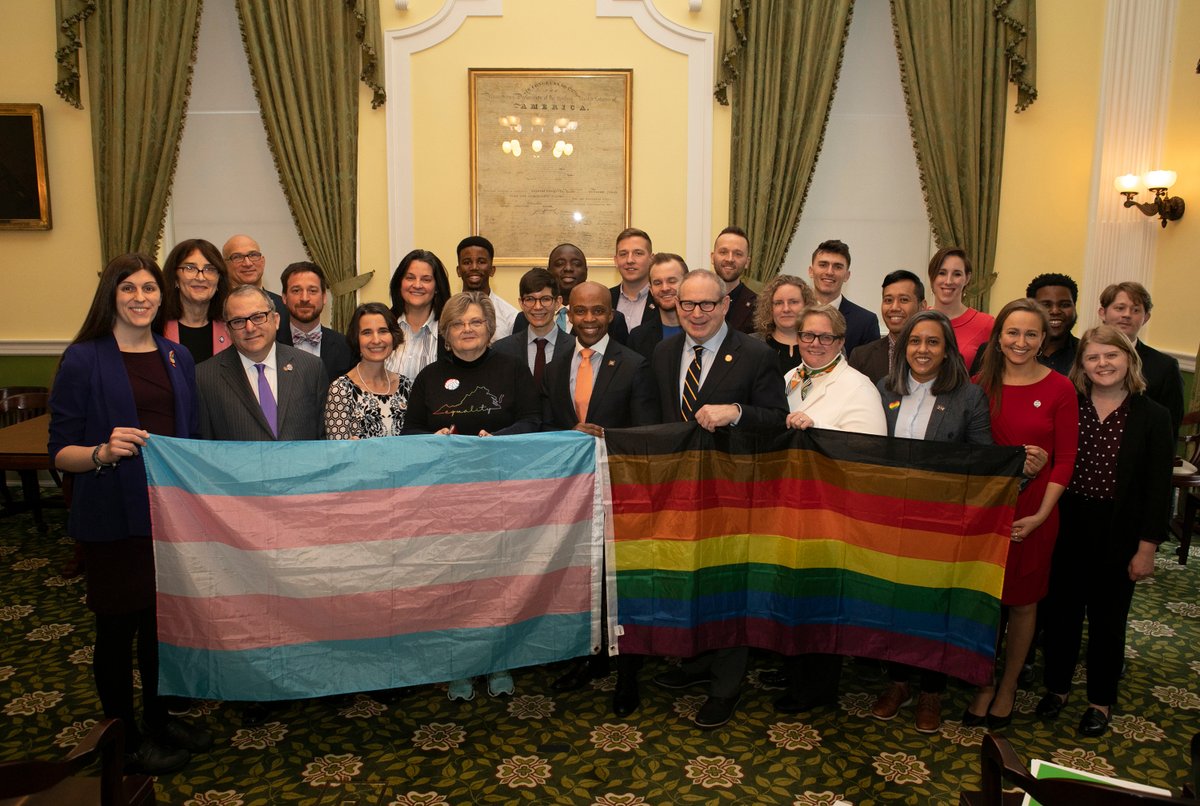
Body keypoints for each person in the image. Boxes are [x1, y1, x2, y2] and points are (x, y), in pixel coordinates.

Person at [48, 253, 210, 775]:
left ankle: (159, 719)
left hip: (168, 517)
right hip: (112, 515)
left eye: (148, 288)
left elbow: (190, 437)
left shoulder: (175, 357)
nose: (140, 297)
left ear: (162, 296)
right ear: (110, 297)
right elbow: (59, 451)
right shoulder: (83, 358)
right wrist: (100, 451)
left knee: (162, 627)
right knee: (118, 630)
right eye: (128, 289)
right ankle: (124, 737)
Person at [648, 269, 788, 730]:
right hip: (679, 491)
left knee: (728, 586)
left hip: (733, 495)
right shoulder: (665, 352)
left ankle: (726, 685)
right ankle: (698, 664)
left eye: (707, 304)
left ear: (726, 305)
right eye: (687, 304)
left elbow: (777, 419)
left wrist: (738, 412)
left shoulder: (756, 355)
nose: (696, 313)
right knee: (691, 579)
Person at [403, 291, 541, 700]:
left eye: (476, 322)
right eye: (459, 324)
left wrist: (498, 440)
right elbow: (409, 431)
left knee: (499, 580)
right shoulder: (429, 377)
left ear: (489, 328)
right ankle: (460, 665)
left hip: (502, 493)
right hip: (445, 500)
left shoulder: (513, 369)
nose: (467, 330)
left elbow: (534, 420)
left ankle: (500, 661)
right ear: (445, 333)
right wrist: (435, 437)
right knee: (455, 581)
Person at [1036, 325, 1173, 737]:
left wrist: (1146, 548)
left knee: (1108, 621)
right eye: (1093, 357)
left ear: (1129, 359)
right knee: (1061, 615)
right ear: (1083, 366)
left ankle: (1100, 701)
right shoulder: (1070, 405)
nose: (1102, 364)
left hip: (1119, 531)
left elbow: (1157, 489)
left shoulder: (1153, 416)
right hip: (1068, 522)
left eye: (1111, 355)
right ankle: (1056, 689)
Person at [869, 310, 992, 732]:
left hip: (942, 520)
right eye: (915, 342)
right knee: (896, 602)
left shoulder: (968, 396)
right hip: (891, 518)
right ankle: (898, 682)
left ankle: (931, 691)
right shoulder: (884, 388)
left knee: (936, 605)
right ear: (903, 348)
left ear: (947, 350)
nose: (923, 350)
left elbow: (982, 458)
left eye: (933, 342)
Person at [542, 281, 658, 716]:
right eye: (579, 311)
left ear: (611, 315)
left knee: (620, 584)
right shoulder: (556, 365)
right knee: (583, 579)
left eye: (597, 311)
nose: (588, 319)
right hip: (572, 493)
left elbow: (646, 433)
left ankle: (628, 676)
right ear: (567, 315)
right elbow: (548, 422)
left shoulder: (634, 365)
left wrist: (608, 437)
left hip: (620, 489)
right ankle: (590, 661)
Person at [965, 298, 1078, 729]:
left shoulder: (1060, 388)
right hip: (986, 512)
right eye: (1012, 332)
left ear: (1043, 339)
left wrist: (1042, 515)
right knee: (986, 603)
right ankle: (984, 682)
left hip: (1035, 513)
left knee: (1024, 605)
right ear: (998, 336)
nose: (1021, 341)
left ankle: (1009, 684)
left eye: (1032, 334)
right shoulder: (979, 385)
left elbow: (1065, 459)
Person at [196, 285, 328, 442]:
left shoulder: (310, 368)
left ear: (276, 320)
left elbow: (322, 440)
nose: (250, 328)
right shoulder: (204, 377)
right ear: (227, 329)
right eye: (238, 321)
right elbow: (205, 448)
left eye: (258, 317)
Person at [781, 304, 887, 435]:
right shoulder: (789, 378)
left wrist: (816, 427)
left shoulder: (860, 388)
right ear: (798, 338)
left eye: (826, 337)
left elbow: (872, 446)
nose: (815, 344)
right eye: (808, 335)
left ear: (840, 342)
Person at [1097, 281, 1184, 437]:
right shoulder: (1084, 357)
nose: (1127, 315)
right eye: (1119, 308)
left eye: (1136, 310)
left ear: (1146, 318)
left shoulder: (1165, 367)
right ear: (1103, 313)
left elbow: (1170, 427)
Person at [325, 302, 412, 439]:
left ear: (393, 336)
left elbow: (414, 441)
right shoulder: (340, 390)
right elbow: (337, 453)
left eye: (383, 331)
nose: (376, 340)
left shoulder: (406, 386)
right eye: (367, 333)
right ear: (356, 339)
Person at [513, 244, 631, 344]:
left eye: (576, 264)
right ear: (549, 271)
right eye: (559, 263)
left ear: (586, 271)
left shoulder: (612, 319)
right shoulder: (526, 318)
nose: (568, 268)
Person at [277, 261, 354, 381]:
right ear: (284, 297)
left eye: (312, 291)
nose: (304, 298)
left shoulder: (346, 346)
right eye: (296, 290)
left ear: (324, 297)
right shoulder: (270, 344)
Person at [160, 238, 231, 363]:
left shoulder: (232, 328)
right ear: (175, 278)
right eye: (190, 268)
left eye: (210, 269)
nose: (200, 277)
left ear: (219, 279)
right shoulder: (156, 329)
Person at [386, 248, 453, 381]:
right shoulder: (383, 324)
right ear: (400, 283)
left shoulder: (451, 330)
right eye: (410, 278)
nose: (417, 285)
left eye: (426, 280)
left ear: (437, 288)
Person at [849, 270, 926, 384]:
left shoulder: (935, 355)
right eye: (888, 300)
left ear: (922, 306)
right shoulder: (861, 357)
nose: (894, 307)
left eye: (904, 300)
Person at [491, 268, 564, 388]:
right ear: (521, 303)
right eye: (530, 299)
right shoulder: (501, 350)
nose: (538, 307)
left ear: (558, 302)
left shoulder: (574, 348)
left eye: (545, 299)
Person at [806, 239, 879, 355]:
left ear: (847, 276)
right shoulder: (795, 314)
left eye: (838, 267)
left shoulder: (866, 322)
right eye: (823, 265)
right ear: (811, 271)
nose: (829, 272)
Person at [927, 247, 993, 371]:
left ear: (967, 278)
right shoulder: (916, 321)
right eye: (942, 273)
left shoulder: (986, 324)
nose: (948, 281)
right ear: (932, 277)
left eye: (957, 274)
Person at [222, 234, 290, 334]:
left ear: (262, 261)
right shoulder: (213, 307)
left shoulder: (285, 307)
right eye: (237, 257)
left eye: (253, 255)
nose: (247, 263)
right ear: (224, 265)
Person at [750, 274, 815, 375]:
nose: (786, 309)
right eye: (778, 303)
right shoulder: (749, 345)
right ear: (769, 308)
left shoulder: (824, 345)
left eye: (793, 302)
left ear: (807, 305)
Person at [628, 252, 688, 359]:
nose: (665, 288)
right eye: (657, 283)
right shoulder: (638, 337)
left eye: (672, 281)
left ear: (687, 284)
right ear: (651, 290)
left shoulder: (702, 329)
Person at [456, 235, 517, 337]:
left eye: (481, 262)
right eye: (467, 262)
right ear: (458, 271)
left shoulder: (511, 317)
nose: (474, 267)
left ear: (492, 270)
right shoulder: (446, 312)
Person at [1026, 273, 1079, 376]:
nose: (1055, 311)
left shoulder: (1087, 353)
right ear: (1030, 308)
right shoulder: (1011, 351)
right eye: (1045, 305)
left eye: (1065, 305)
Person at [711, 226, 757, 334]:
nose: (730, 259)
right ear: (712, 257)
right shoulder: (696, 300)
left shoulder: (758, 307)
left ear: (747, 262)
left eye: (738, 254)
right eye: (723, 252)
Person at [611, 228, 655, 331]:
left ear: (651, 259)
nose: (630, 260)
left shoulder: (661, 299)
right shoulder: (605, 298)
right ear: (616, 260)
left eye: (638, 253)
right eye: (623, 254)